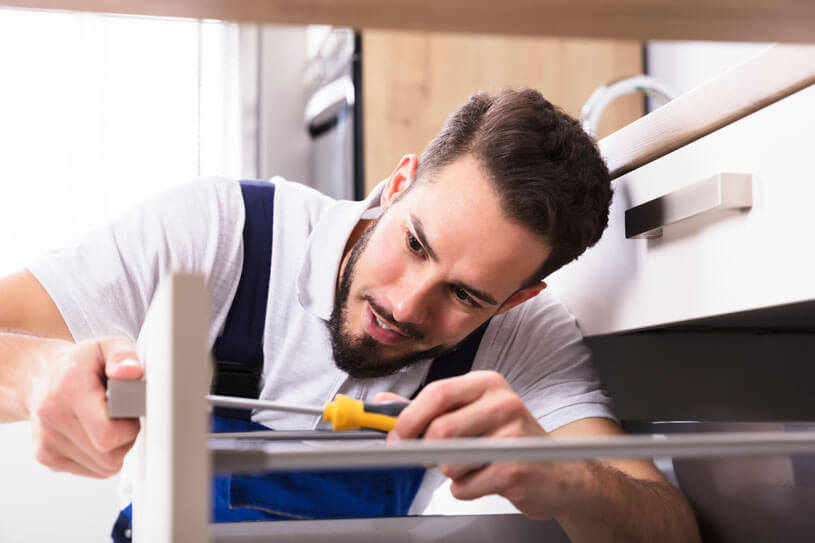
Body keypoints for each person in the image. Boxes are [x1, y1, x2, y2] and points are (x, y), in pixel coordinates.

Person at [0, 88, 700, 541]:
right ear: (395, 187)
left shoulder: (523, 337)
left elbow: (668, 526)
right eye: (414, 243)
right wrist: (38, 375)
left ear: (516, 299)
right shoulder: (217, 233)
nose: (403, 304)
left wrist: (562, 475)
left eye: (465, 295)